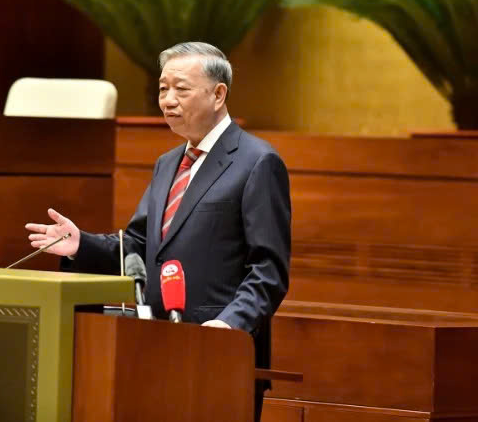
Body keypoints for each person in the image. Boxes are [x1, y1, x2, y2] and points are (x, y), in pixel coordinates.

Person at [25, 42, 290, 421]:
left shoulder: (257, 162)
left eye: (181, 89)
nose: (167, 99)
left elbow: (268, 270)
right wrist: (81, 245)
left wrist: (229, 325)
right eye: (164, 88)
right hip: (155, 347)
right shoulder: (168, 163)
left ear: (218, 94)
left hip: (219, 354)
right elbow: (139, 246)